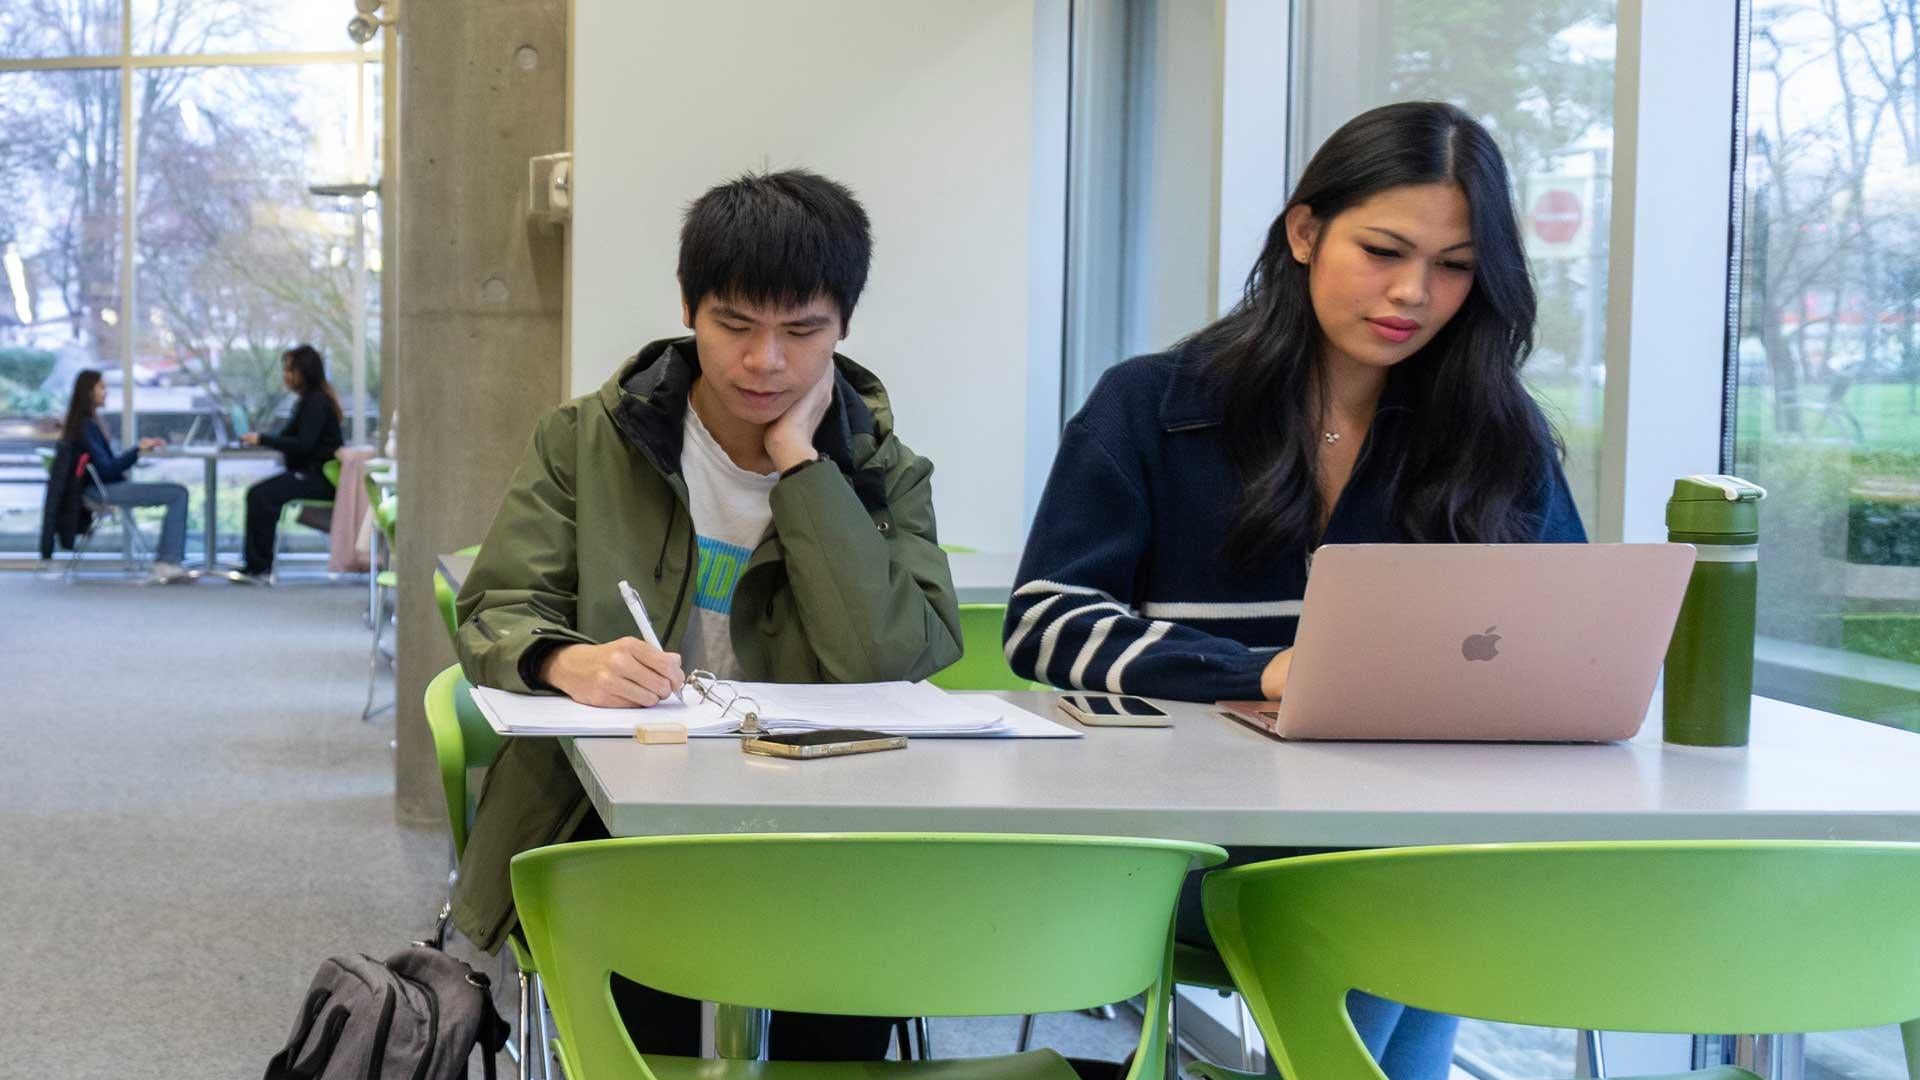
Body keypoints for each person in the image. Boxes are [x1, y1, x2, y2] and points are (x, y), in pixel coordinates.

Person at [1006, 101, 1586, 1080]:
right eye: (1383, 251)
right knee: (1410, 901)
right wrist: (1266, 672)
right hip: (1193, 848)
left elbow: (1567, 632)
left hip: (1421, 837)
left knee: (1427, 885)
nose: (1413, 293)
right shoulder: (1153, 406)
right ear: (1305, 232)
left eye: (1454, 266)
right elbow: (1048, 623)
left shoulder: (1495, 432)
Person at [452, 169, 961, 1059]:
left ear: (844, 326)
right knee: (649, 1039)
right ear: (689, 309)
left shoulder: (880, 470)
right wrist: (567, 662)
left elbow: (891, 657)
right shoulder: (587, 439)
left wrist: (803, 467)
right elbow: (498, 606)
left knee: (834, 1037)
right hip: (623, 824)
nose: (765, 361)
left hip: (829, 832)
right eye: (735, 325)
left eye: (801, 331)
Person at [55, 369, 194, 584]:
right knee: (178, 493)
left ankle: (168, 561)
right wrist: (137, 450)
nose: (106, 392)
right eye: (102, 387)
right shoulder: (86, 427)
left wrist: (137, 450)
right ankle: (167, 563)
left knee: (177, 492)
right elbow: (107, 470)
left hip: (101, 487)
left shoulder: (84, 424)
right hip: (102, 491)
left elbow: (107, 466)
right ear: (88, 391)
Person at [229, 344, 345, 583]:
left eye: (290, 370)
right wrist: (264, 439)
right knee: (260, 494)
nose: (286, 376)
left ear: (304, 372)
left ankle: (259, 567)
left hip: (318, 478)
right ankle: (257, 564)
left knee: (260, 495)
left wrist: (263, 439)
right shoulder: (307, 401)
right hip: (310, 474)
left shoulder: (315, 402)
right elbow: (292, 438)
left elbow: (303, 444)